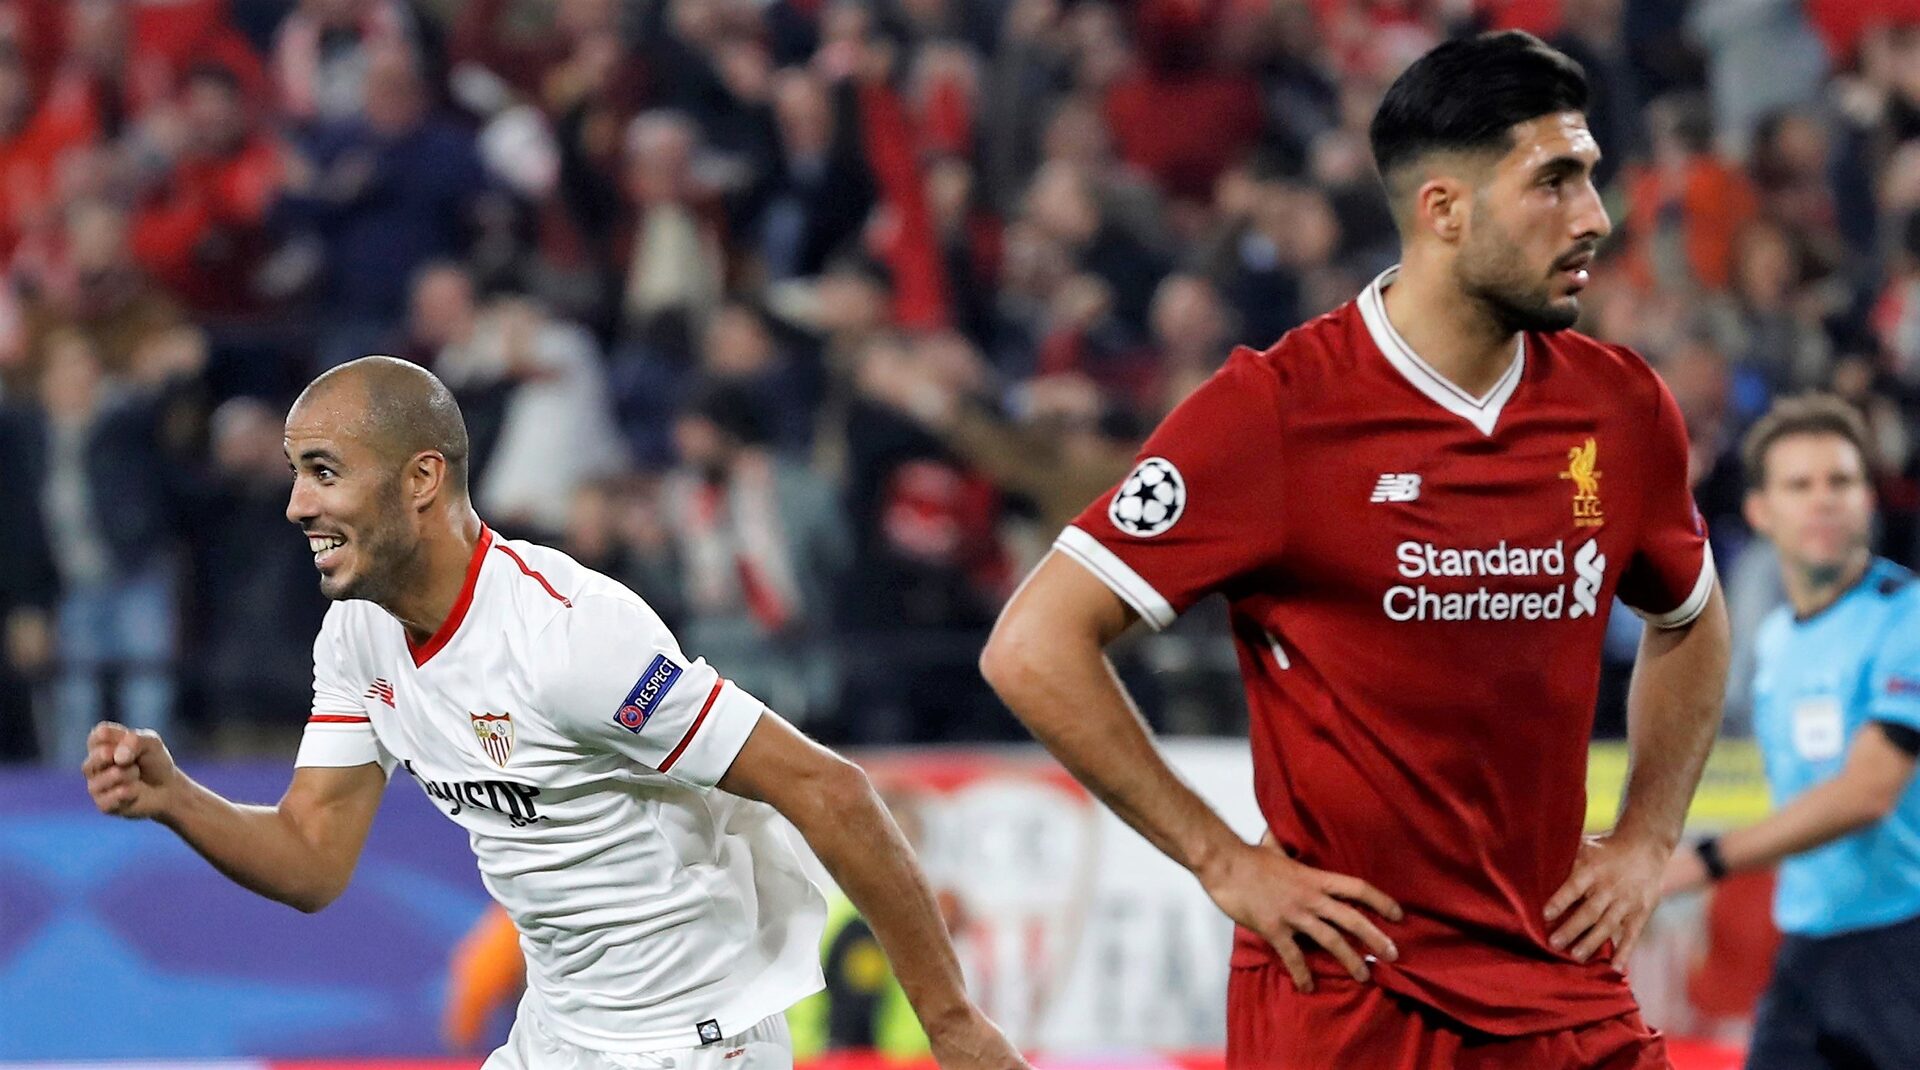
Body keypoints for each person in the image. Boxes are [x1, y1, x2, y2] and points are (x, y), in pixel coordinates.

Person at [981, 31, 1730, 1069]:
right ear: (1444, 210)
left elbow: (1690, 617)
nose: (1594, 217)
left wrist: (1648, 836)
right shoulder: (1274, 411)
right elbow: (1033, 644)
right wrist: (1221, 859)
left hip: (1562, 983)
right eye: (1554, 182)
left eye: (1590, 176)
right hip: (1354, 995)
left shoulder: (1621, 404)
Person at [82, 356, 1023, 1070]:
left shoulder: (571, 641)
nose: (295, 505)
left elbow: (831, 789)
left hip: (691, 1042)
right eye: (296, 473)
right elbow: (311, 857)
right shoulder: (357, 637)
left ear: (421, 479)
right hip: (558, 1035)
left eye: (323, 472)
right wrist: (176, 800)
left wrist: (953, 1024)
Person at [1661, 394, 1920, 1070]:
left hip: (1902, 940)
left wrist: (1703, 862)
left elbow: (1866, 794)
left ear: (1868, 498)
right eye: (1799, 485)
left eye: (1841, 481)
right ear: (1760, 511)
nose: (1823, 499)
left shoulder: (1908, 621)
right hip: (1807, 942)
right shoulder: (1775, 640)